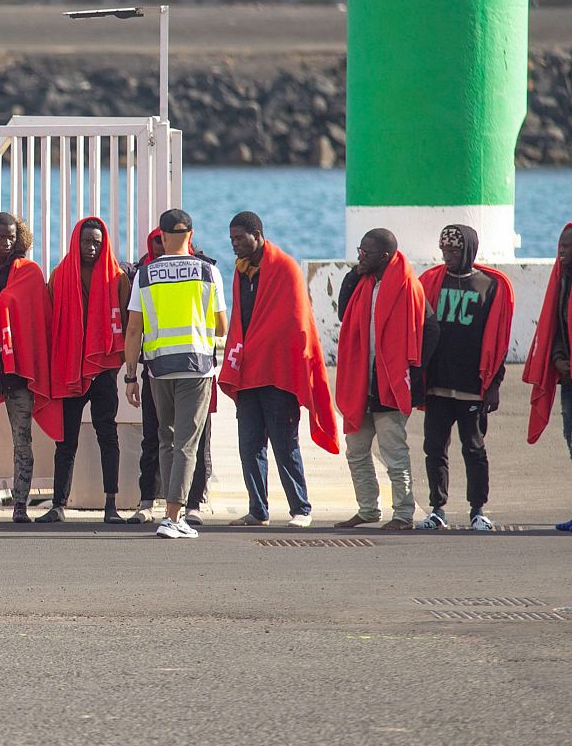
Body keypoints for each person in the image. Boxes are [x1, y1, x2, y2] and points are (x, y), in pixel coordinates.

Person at [220, 212, 338, 528]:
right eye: (230, 239)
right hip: (248, 373)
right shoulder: (241, 270)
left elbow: (297, 324)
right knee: (250, 447)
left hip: (277, 375)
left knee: (285, 445)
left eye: (239, 238)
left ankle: (301, 509)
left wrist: (281, 358)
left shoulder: (285, 268)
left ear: (257, 234)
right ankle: (258, 510)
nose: (233, 244)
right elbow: (240, 322)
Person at [123, 208, 228, 540]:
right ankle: (173, 516)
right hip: (196, 368)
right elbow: (223, 326)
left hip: (159, 368)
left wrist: (129, 376)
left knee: (166, 441)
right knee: (187, 443)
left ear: (163, 238)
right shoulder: (208, 272)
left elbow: (133, 330)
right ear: (191, 237)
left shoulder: (146, 273)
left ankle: (169, 514)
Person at [333, 228, 438, 531]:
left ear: (386, 256)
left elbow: (430, 331)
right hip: (360, 384)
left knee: (394, 455)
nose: (360, 256)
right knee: (356, 451)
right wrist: (355, 273)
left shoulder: (409, 287)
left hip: (390, 385)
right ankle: (367, 509)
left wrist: (412, 372)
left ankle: (404, 514)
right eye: (359, 250)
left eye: (366, 253)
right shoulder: (361, 282)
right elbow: (343, 313)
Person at [415, 224, 514, 531]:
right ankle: (437, 509)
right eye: (444, 249)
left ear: (469, 249)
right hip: (438, 384)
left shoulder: (490, 285)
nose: (448, 255)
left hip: (473, 386)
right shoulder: (431, 281)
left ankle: (478, 510)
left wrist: (494, 384)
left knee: (473, 447)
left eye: (455, 250)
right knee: (434, 448)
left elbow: (498, 339)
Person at [0, 212, 58, 523]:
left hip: (19, 371)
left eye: (11, 236)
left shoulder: (30, 272)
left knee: (24, 440)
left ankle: (20, 507)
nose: (7, 242)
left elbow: (39, 320)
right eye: (0, 236)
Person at [48, 216, 131, 524]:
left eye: (97, 242)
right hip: (70, 367)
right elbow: (50, 317)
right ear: (76, 241)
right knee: (65, 440)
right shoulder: (60, 275)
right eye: (86, 241)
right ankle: (58, 505)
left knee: (107, 434)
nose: (92, 247)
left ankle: (111, 504)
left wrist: (115, 365)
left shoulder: (116, 278)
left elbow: (125, 322)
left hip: (104, 370)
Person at [524, 223, 572, 532]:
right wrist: (557, 359)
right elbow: (556, 326)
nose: (561, 252)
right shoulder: (563, 281)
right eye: (560, 247)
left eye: (567, 247)